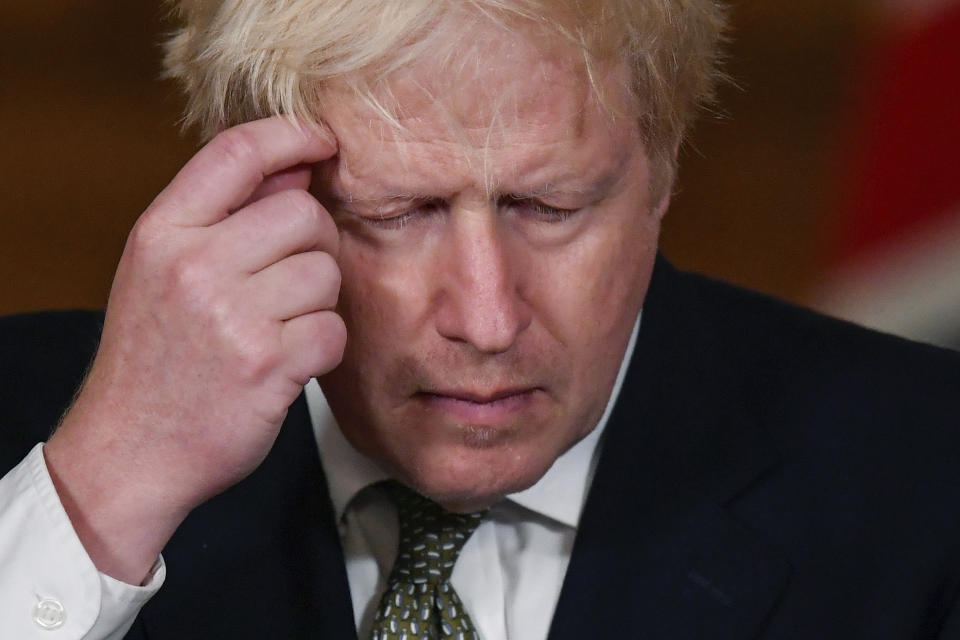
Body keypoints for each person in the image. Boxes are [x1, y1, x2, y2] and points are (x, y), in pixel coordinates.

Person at [1, 1, 959, 638]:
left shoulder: (930, 467)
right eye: (396, 214)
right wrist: (107, 495)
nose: (490, 320)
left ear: (662, 172)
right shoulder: (33, 429)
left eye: (550, 208)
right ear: (250, 190)